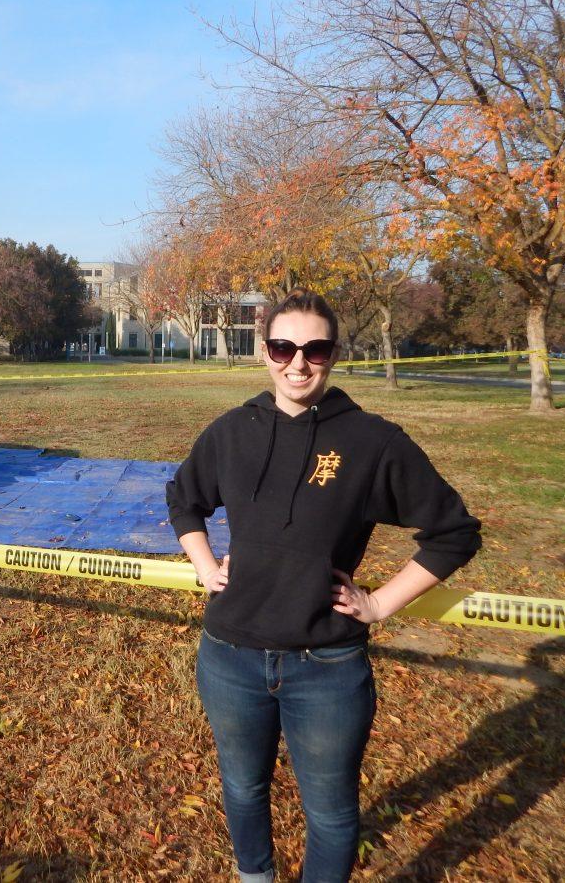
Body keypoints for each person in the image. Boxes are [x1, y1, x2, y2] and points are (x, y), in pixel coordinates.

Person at [165, 288, 481, 882]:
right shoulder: (232, 431)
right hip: (230, 656)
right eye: (283, 347)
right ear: (264, 352)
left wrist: (382, 601)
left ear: (334, 354)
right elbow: (185, 499)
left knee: (332, 813)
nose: (298, 363)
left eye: (315, 349)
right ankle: (253, 876)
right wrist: (204, 564)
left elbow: (454, 532)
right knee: (242, 786)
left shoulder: (372, 441)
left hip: (328, 666)